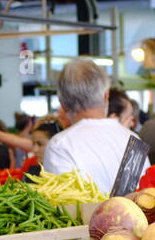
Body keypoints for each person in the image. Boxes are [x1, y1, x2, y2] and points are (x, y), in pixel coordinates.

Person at [42, 59, 146, 194]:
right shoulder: (133, 139)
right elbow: (139, 200)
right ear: (106, 96)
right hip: (134, 215)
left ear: (62, 103)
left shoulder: (60, 146)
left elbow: (64, 208)